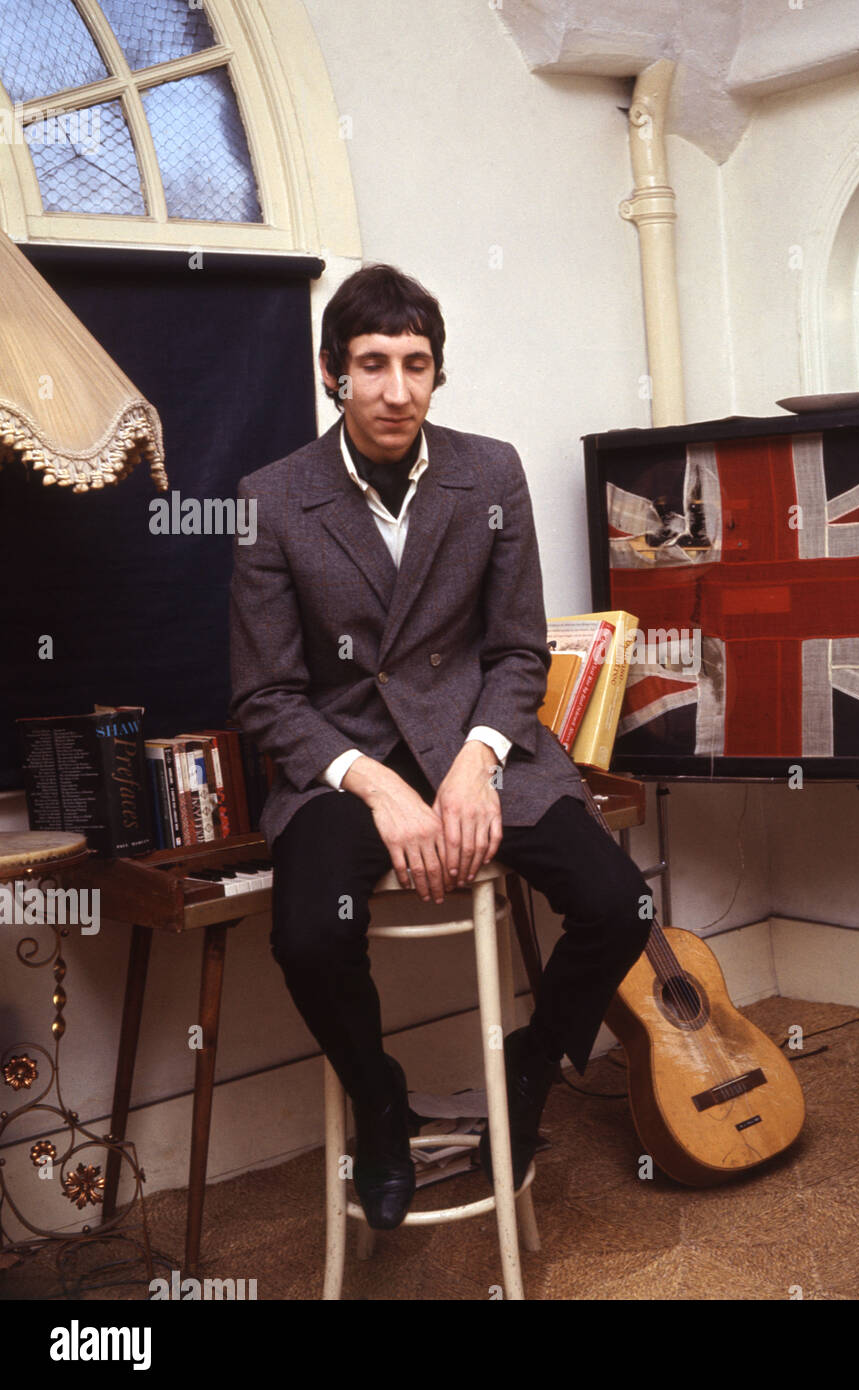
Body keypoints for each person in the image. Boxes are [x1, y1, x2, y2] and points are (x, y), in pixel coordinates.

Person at [229, 263, 650, 1229]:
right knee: (306, 936)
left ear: (437, 373)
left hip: (483, 747)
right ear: (332, 371)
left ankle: (532, 1071)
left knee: (619, 903)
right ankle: (382, 1102)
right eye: (371, 364)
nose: (395, 389)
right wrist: (377, 787)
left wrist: (475, 763)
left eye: (415, 364)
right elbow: (267, 696)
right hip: (343, 767)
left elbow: (515, 652)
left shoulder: (489, 472)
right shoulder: (270, 499)